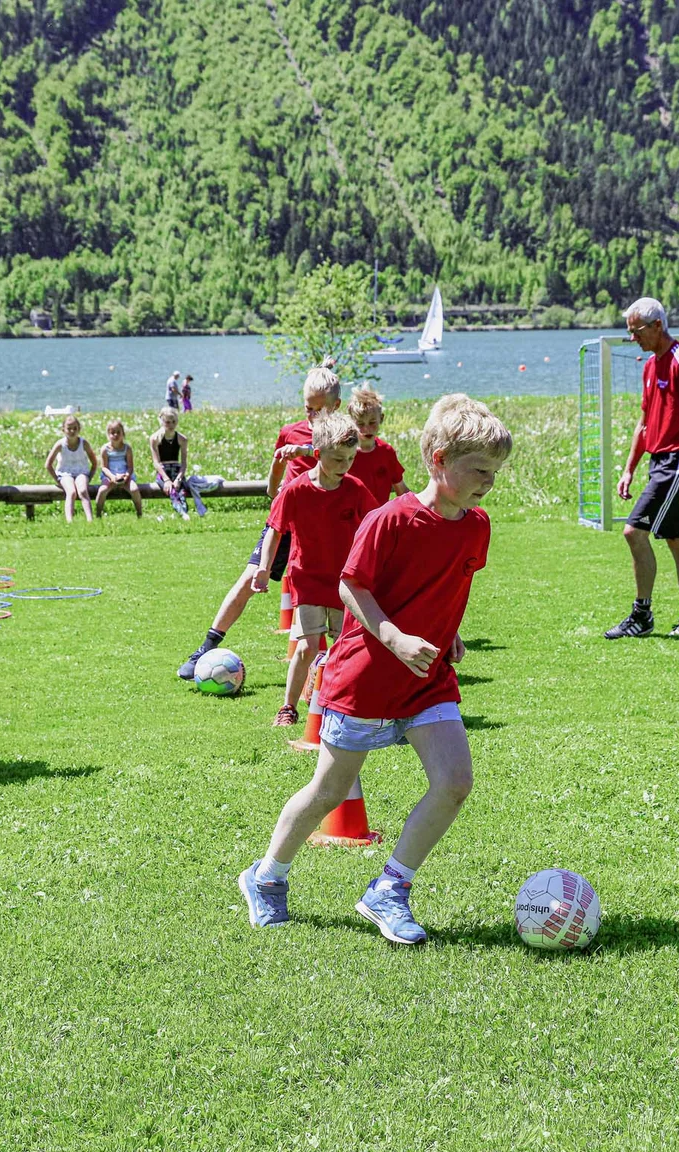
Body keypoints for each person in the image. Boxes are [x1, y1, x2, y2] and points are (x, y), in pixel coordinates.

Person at [237, 394, 511, 945]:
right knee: (328, 792)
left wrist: (447, 630)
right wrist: (393, 636)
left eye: (495, 471)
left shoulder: (477, 526)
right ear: (437, 458)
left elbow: (446, 583)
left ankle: (390, 889)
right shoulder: (391, 518)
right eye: (478, 469)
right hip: (363, 680)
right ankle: (266, 876)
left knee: (455, 782)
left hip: (426, 681)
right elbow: (351, 584)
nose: (489, 480)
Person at [177, 363, 343, 679]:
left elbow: (334, 452)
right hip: (287, 524)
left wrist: (306, 449)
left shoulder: (342, 438)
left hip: (328, 530)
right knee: (249, 578)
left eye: (320, 411)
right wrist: (279, 472)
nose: (312, 417)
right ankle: (207, 646)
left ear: (336, 407)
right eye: (308, 409)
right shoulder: (290, 432)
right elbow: (272, 487)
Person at [254, 411, 377, 727]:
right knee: (308, 646)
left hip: (344, 583)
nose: (344, 466)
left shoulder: (355, 489)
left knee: (344, 647)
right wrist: (264, 569)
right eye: (337, 459)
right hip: (306, 578)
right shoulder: (295, 490)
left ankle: (342, 705)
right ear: (317, 454)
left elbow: (377, 527)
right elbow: (275, 529)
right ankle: (288, 708)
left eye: (349, 459)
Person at [604, 297, 679, 639]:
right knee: (678, 540)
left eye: (636, 332)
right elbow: (644, 423)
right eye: (629, 333)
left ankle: (641, 616)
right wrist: (629, 469)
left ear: (656, 326)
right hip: (659, 461)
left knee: (633, 531)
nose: (633, 339)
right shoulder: (651, 366)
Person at [346, 386, 412, 499]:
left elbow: (401, 490)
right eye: (360, 424)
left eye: (372, 422)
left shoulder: (386, 452)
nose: (367, 429)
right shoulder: (344, 453)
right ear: (351, 422)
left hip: (379, 515)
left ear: (381, 418)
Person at [150, 406, 207, 519]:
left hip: (177, 471)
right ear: (162, 421)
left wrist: (178, 479)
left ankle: (183, 512)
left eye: (173, 422)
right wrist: (166, 479)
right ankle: (183, 513)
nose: (171, 425)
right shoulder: (154, 439)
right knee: (171, 490)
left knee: (180, 491)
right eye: (167, 422)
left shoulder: (182, 439)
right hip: (163, 472)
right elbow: (156, 463)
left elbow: (184, 463)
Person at [44, 414, 96, 524]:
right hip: (65, 473)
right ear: (63, 429)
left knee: (82, 490)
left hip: (81, 471)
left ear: (79, 429)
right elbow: (48, 464)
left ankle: (90, 519)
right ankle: (69, 520)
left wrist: (89, 476)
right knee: (71, 492)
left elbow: (94, 462)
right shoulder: (60, 444)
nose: (72, 431)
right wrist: (57, 479)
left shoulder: (84, 443)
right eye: (69, 428)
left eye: (75, 428)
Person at [96, 418, 146, 517]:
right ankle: (98, 514)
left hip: (125, 476)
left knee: (134, 489)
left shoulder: (127, 449)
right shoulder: (105, 449)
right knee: (102, 491)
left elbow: (130, 467)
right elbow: (104, 468)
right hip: (110, 477)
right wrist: (112, 477)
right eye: (112, 432)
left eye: (118, 432)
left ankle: (139, 513)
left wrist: (126, 476)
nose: (115, 435)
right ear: (108, 435)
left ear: (123, 433)